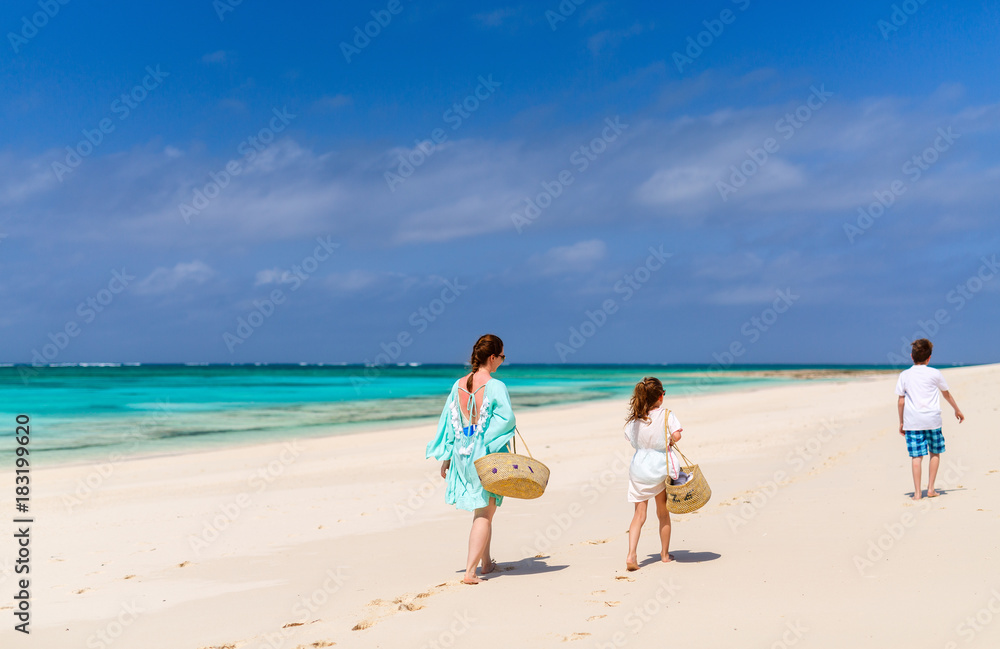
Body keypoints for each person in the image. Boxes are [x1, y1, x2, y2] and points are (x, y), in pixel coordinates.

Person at [426, 334, 516, 584]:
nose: (502, 361)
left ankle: (486, 563)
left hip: (461, 455)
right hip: (483, 456)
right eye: (502, 357)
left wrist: (446, 458)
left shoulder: (458, 385)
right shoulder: (495, 386)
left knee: (483, 510)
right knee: (484, 514)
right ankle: (469, 571)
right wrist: (488, 441)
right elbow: (507, 420)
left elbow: (448, 424)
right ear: (492, 357)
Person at [623, 377, 683, 571]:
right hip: (659, 469)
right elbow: (677, 435)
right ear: (660, 396)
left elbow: (629, 438)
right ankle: (664, 555)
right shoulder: (667, 415)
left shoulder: (635, 420)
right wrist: (670, 440)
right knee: (663, 514)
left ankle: (631, 554)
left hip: (639, 469)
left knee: (639, 515)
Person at [896, 338, 964, 500]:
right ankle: (931, 488)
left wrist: (901, 422)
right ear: (929, 358)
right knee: (934, 452)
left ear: (912, 357)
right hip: (932, 421)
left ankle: (918, 493)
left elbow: (901, 401)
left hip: (912, 422)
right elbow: (946, 394)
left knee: (916, 457)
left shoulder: (905, 375)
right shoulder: (935, 373)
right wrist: (957, 410)